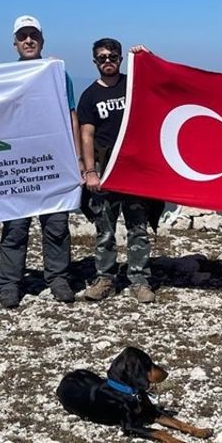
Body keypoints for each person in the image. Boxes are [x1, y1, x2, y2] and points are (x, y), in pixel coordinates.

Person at [0, 15, 78, 308]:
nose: (28, 40)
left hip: (54, 163)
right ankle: (10, 284)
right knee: (15, 228)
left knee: (56, 224)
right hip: (16, 167)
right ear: (14, 43)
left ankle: (58, 278)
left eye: (33, 35)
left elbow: (71, 114)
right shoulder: (3, 75)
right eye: (22, 36)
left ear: (42, 40)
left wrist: (77, 157)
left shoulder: (57, 73)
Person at [77, 38, 157, 304]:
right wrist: (90, 171)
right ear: (94, 62)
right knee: (105, 230)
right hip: (105, 170)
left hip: (134, 170)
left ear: (121, 59)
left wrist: (146, 56)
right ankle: (105, 279)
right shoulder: (89, 95)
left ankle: (139, 280)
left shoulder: (133, 85)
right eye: (102, 57)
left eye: (113, 56)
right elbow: (86, 134)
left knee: (137, 227)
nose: (107, 61)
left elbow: (160, 85)